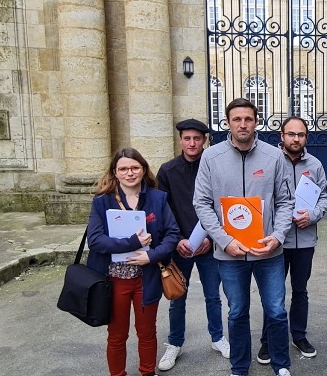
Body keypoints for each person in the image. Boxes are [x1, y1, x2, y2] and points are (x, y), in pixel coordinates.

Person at [193, 98, 295, 376]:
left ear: (256, 122)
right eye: (236, 119)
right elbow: (202, 203)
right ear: (227, 123)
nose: (242, 124)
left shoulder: (274, 156)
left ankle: (281, 365)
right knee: (237, 311)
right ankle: (239, 367)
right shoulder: (211, 157)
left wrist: (278, 236)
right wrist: (224, 240)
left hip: (268, 252)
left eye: (248, 119)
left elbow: (286, 201)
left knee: (276, 310)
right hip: (230, 254)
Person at [86, 147, 181, 376]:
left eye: (135, 167)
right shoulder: (102, 201)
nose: (129, 173)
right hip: (113, 279)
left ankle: (147, 372)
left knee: (147, 332)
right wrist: (132, 242)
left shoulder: (157, 198)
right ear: (115, 172)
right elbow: (95, 240)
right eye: (123, 169)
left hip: (146, 277)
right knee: (117, 335)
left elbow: (172, 234)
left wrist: (151, 255)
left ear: (143, 170)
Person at [156, 119, 230, 371]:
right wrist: (177, 240)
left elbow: (221, 205)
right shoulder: (167, 171)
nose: (192, 143)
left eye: (197, 139)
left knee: (213, 296)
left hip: (209, 243)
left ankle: (217, 338)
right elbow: (163, 210)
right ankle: (175, 343)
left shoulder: (213, 167)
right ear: (180, 140)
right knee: (177, 296)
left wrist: (212, 237)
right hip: (180, 245)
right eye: (187, 138)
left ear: (204, 141)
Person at [257, 116, 327, 363]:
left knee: (300, 291)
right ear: (282, 136)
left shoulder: (315, 164)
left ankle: (298, 336)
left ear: (306, 137)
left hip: (305, 241)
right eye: (291, 134)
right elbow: (262, 197)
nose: (296, 139)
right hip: (276, 242)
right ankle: (268, 341)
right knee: (273, 294)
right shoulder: (270, 161)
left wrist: (312, 215)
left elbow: (325, 196)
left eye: (300, 134)